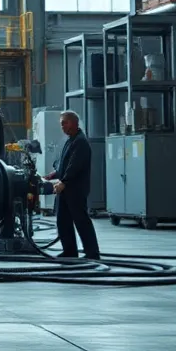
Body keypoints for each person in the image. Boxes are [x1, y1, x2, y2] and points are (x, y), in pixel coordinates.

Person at [43, 110, 101, 260]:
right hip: (66, 189)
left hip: (75, 189)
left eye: (65, 123)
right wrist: (53, 175)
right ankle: (69, 251)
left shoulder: (80, 142)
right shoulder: (70, 140)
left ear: (75, 123)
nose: (63, 127)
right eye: (61, 124)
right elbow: (65, 164)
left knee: (81, 221)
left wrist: (64, 182)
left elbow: (75, 166)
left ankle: (92, 253)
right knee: (63, 220)